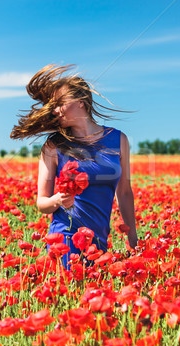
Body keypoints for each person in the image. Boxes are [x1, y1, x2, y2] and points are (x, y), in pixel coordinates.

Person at [11, 64, 138, 268]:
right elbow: (41, 203)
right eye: (53, 106)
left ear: (81, 102)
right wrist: (57, 200)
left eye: (60, 102)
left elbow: (124, 193)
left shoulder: (118, 139)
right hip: (65, 237)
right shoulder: (53, 146)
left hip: (99, 240)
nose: (55, 110)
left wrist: (132, 236)